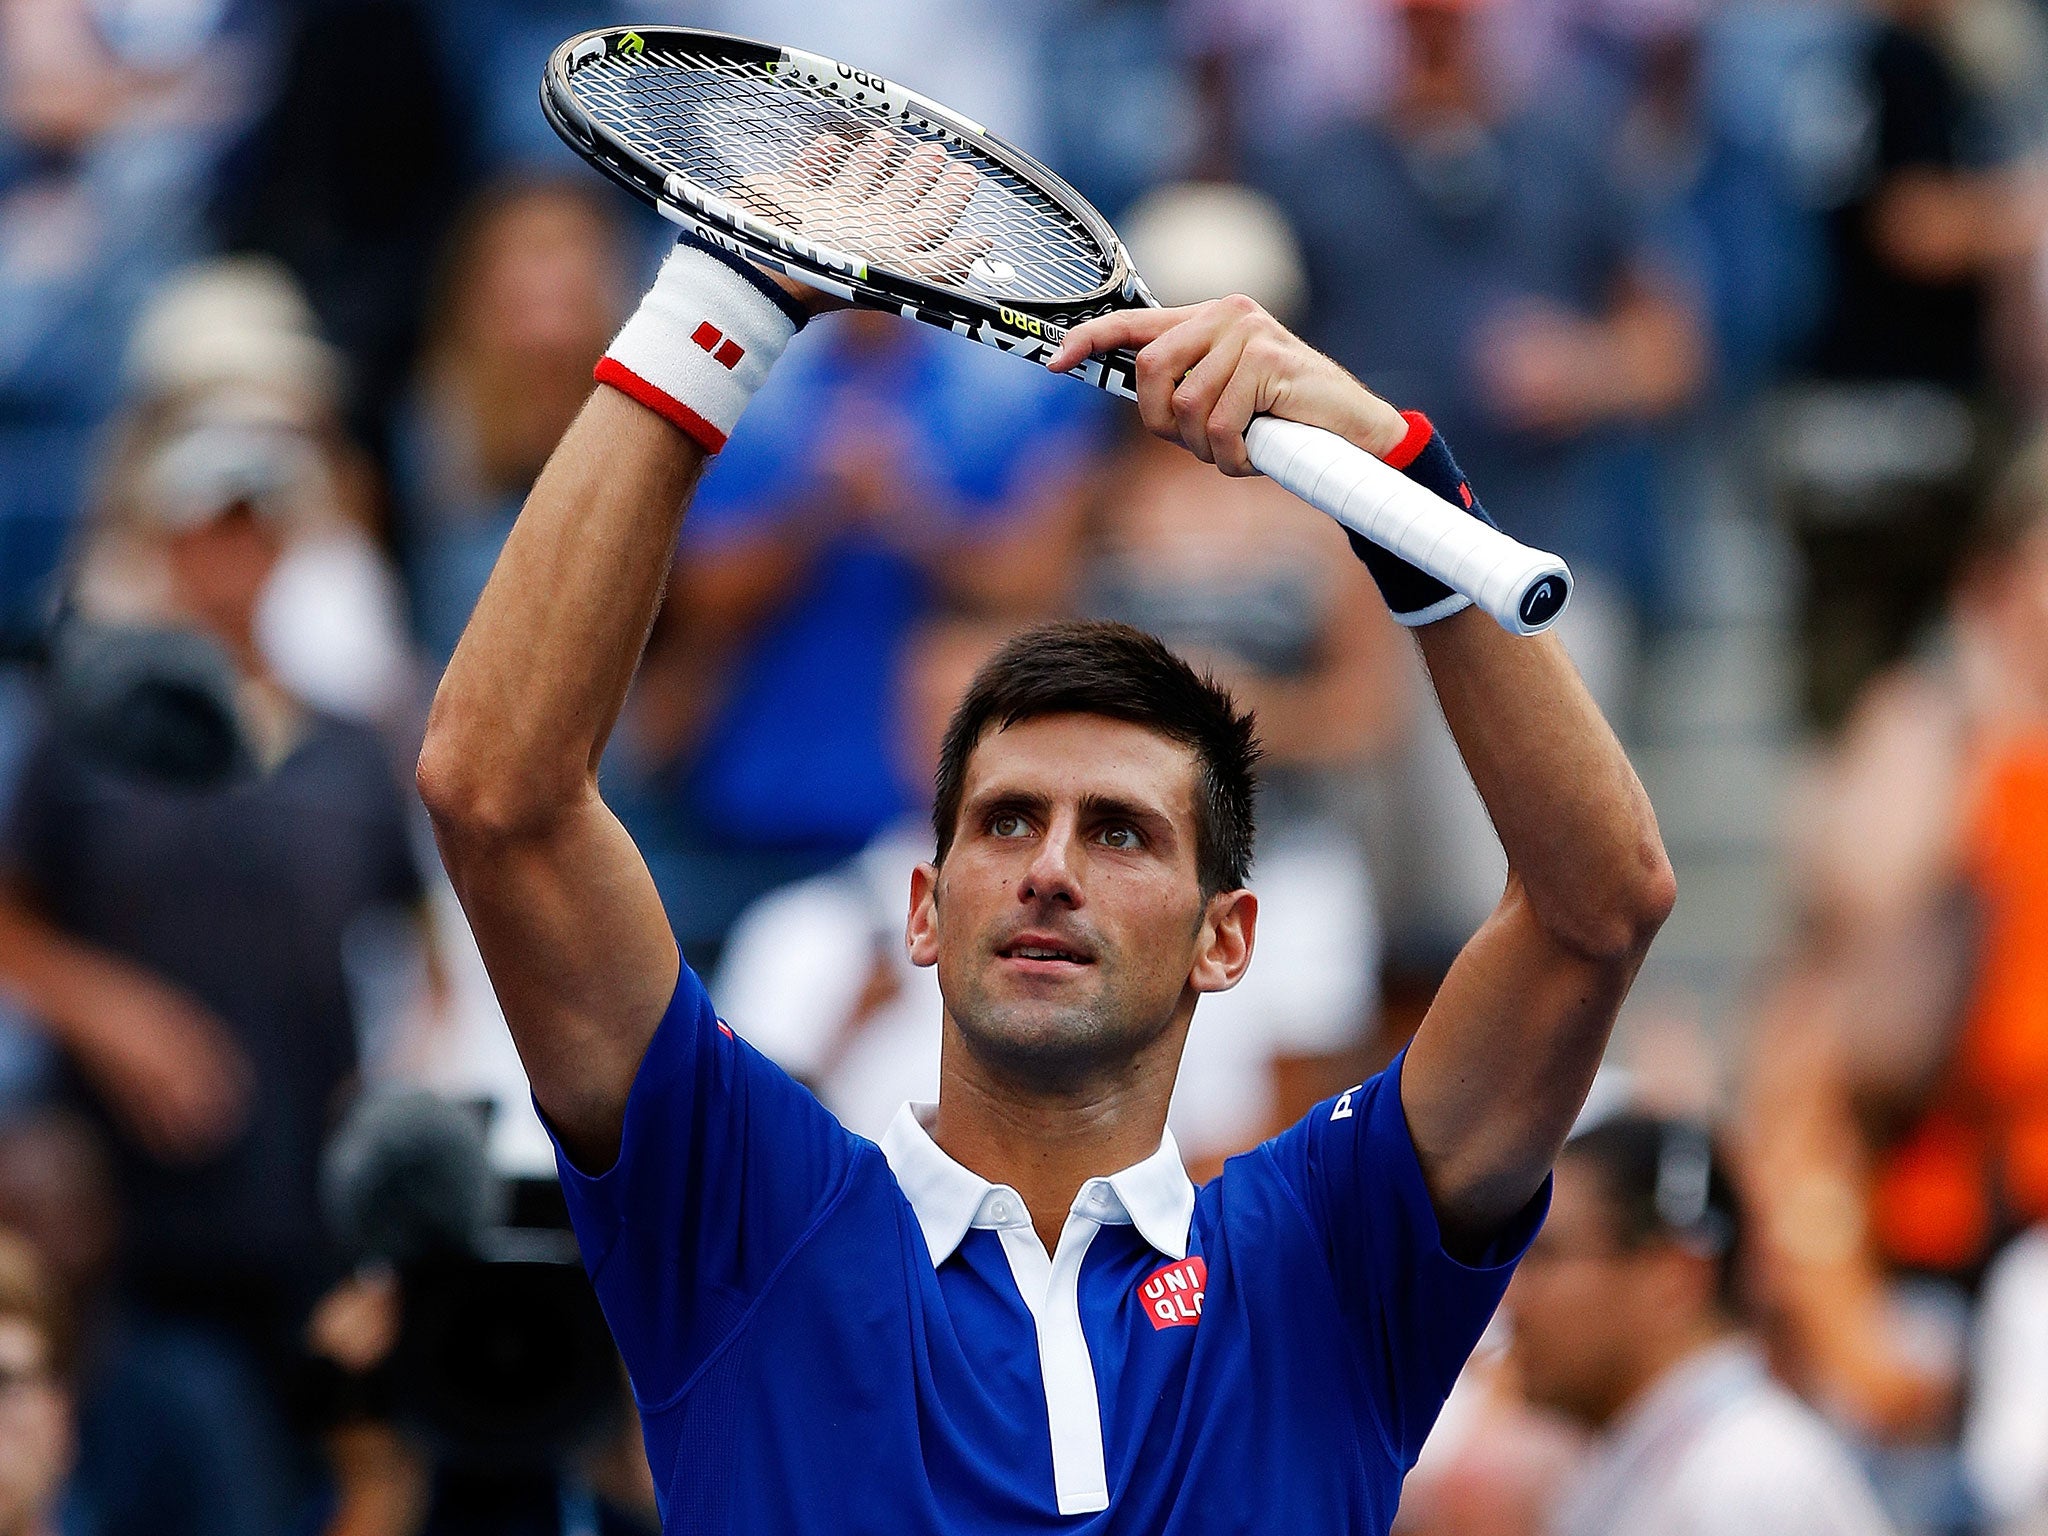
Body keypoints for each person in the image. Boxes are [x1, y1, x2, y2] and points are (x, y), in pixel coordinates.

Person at [416, 142, 1673, 1531]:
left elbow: (1596, 908)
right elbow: (499, 797)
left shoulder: (1325, 1252)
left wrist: (1402, 479)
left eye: (1123, 834)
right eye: (1008, 819)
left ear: (1227, 936)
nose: (1053, 867)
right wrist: (720, 299)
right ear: (922, 906)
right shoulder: (752, 1221)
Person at [1508, 1113, 1896, 1536]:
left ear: (1674, 1277)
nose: (1510, 1299)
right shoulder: (1678, 1466)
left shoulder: (1744, 1481)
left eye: (1542, 1257)